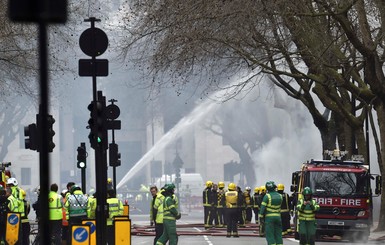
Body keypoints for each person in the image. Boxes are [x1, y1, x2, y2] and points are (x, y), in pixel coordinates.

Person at [259, 181, 283, 245]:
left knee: (270, 234)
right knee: (278, 234)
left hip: (269, 218)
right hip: (278, 217)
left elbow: (262, 207)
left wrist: (260, 216)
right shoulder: (280, 196)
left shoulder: (267, 196)